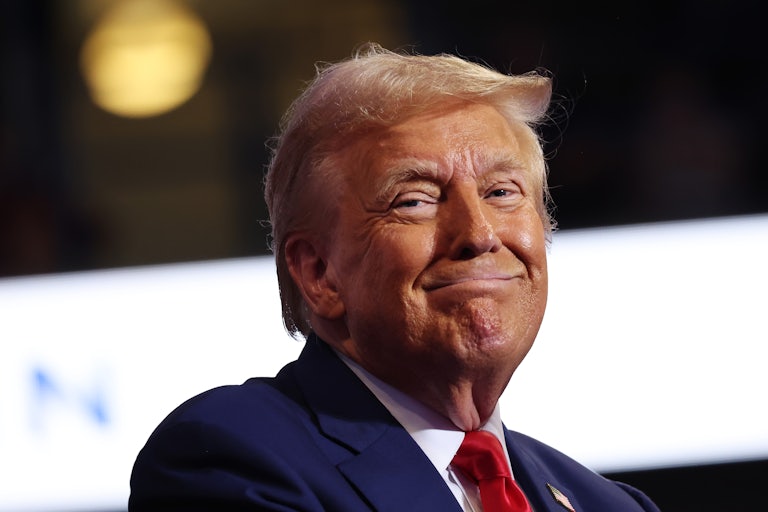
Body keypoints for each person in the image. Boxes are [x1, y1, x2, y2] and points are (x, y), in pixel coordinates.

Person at [129, 43, 661, 511]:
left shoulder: (605, 503)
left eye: (502, 192)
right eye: (415, 201)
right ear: (320, 274)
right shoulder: (228, 458)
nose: (478, 233)